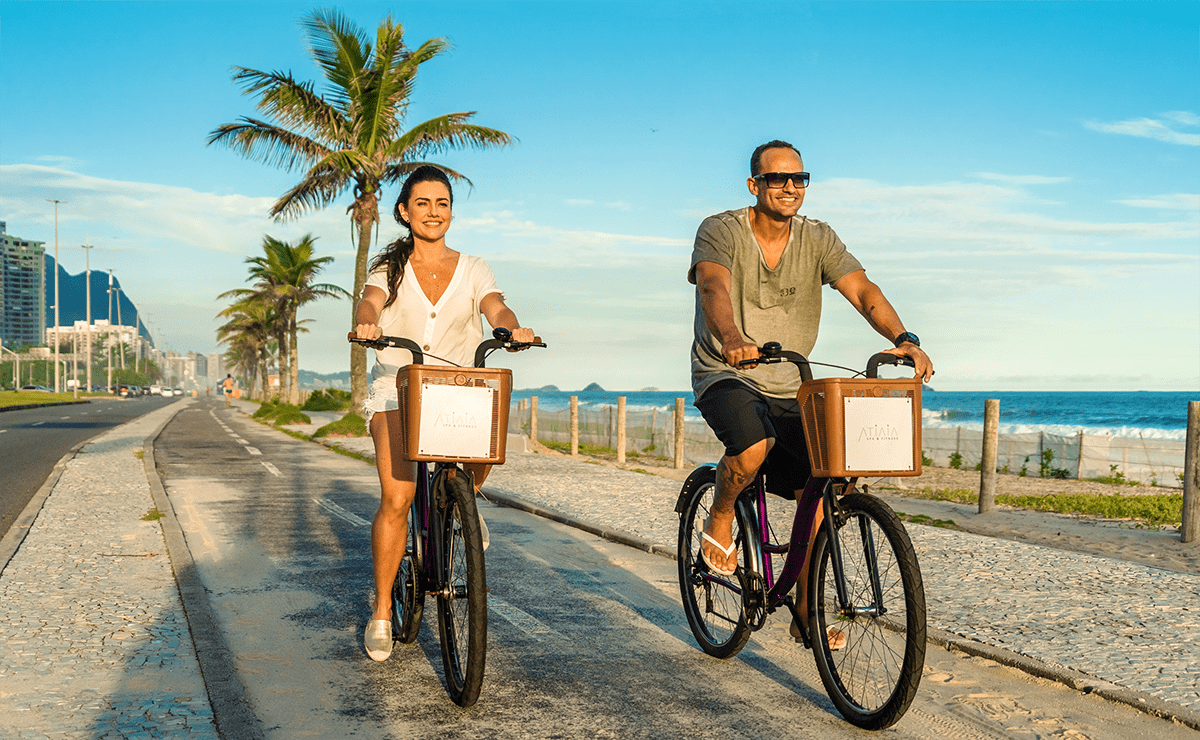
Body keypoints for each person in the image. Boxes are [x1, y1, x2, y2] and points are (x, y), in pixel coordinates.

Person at [689, 140, 933, 641]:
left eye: (799, 178)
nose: (790, 187)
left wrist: (903, 339)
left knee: (821, 487)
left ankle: (807, 613)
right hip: (726, 372)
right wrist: (733, 340)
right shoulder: (721, 230)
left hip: (792, 382)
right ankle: (719, 513)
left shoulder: (818, 239)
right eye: (778, 178)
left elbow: (863, 290)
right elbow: (712, 286)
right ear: (755, 185)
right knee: (752, 447)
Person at [353, 165, 536, 662]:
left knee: (489, 440)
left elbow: (495, 307)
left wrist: (511, 328)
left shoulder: (474, 267)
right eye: (423, 204)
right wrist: (367, 325)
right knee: (398, 496)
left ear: (451, 212)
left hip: (455, 387)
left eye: (442, 204)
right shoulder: (387, 269)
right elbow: (369, 304)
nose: (433, 213)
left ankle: (459, 509)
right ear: (404, 211)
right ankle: (383, 610)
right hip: (397, 388)